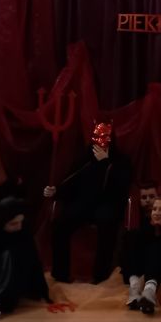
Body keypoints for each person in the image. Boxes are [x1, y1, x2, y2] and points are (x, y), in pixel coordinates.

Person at [44, 121, 131, 283]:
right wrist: (56, 191)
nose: (100, 140)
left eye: (104, 136)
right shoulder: (86, 158)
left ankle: (100, 276)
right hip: (84, 203)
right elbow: (71, 181)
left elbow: (121, 188)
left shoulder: (121, 161)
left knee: (106, 222)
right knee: (60, 225)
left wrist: (106, 163)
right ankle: (61, 274)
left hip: (108, 204)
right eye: (97, 136)